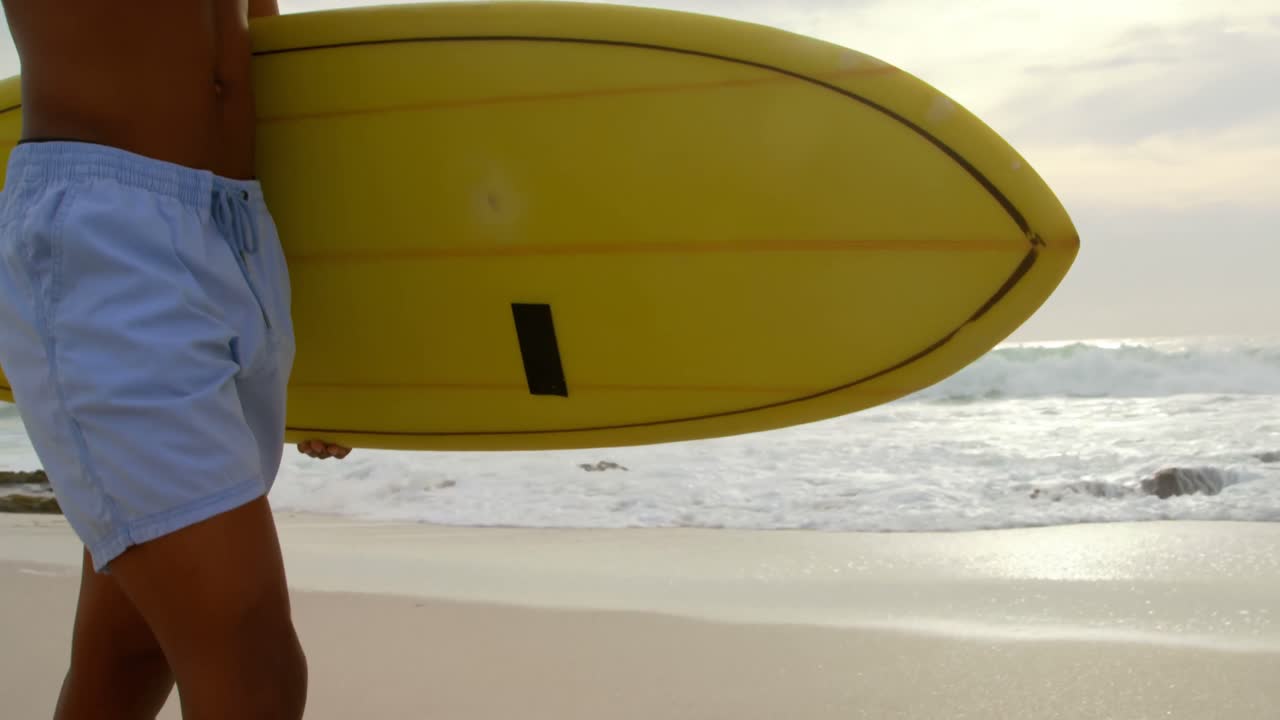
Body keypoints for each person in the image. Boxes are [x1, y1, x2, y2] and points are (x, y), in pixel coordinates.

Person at [0, 1, 349, 717]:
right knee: (254, 667)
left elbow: (251, 50)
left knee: (128, 657)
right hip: (105, 239)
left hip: (235, 233)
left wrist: (332, 369)